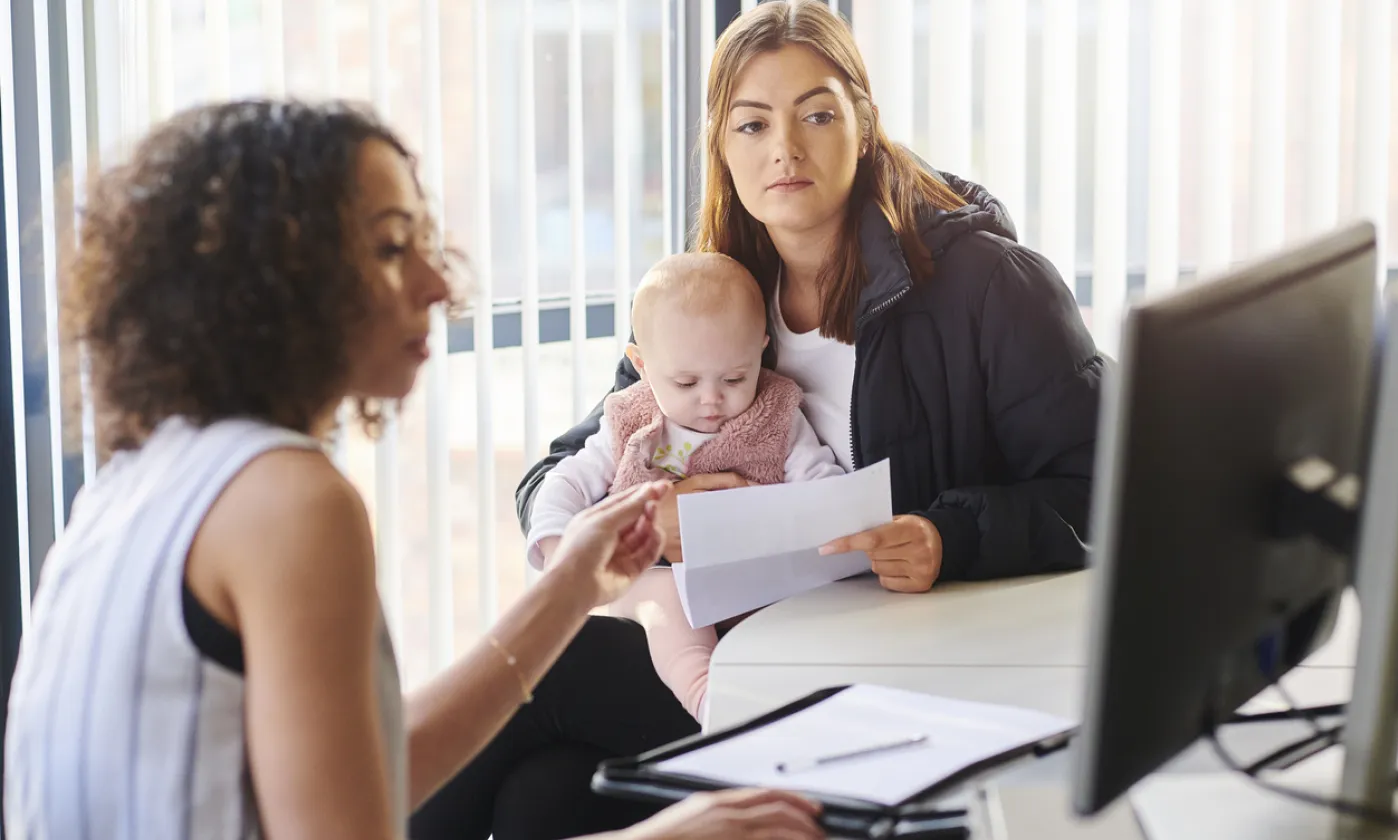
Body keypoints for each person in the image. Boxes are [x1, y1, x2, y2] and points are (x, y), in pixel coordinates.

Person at [2, 99, 824, 840]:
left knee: (547, 793)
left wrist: (575, 581)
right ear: (282, 283)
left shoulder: (141, 479)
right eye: (393, 248)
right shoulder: (288, 502)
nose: (438, 283)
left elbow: (363, 772)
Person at [419, 1, 1104, 837]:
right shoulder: (716, 292)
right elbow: (570, 464)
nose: (784, 148)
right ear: (721, 146)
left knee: (551, 674)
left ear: (864, 125)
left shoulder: (990, 287)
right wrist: (646, 523)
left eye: (816, 114)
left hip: (902, 674)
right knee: (545, 797)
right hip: (747, 653)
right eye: (752, 124)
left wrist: (946, 535)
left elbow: (1108, 491)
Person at [526, 251, 845, 722]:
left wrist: (804, 522)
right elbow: (565, 482)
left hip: (753, 584)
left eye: (735, 377)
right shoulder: (630, 419)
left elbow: (823, 488)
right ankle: (706, 697)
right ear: (641, 364)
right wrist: (561, 551)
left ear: (761, 349)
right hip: (653, 580)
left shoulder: (776, 415)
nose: (711, 399)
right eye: (686, 382)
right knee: (666, 599)